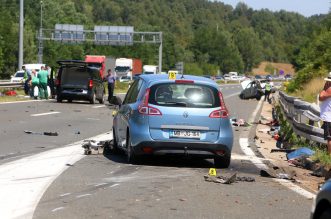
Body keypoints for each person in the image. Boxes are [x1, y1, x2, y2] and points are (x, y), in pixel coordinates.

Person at [319, 72, 331, 155]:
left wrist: (324, 89)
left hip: (329, 117)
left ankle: (329, 156)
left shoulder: (329, 89)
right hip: (328, 116)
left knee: (329, 138)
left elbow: (321, 97)